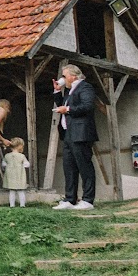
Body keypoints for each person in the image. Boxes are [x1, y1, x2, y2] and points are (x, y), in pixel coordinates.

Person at [53, 63, 99, 211]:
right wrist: (57, 91)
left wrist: (68, 109)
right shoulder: (69, 91)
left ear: (73, 76)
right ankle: (70, 198)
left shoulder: (85, 87)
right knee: (69, 166)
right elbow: (62, 104)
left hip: (81, 133)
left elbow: (87, 106)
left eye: (64, 76)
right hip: (68, 134)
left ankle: (88, 200)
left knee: (84, 166)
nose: (62, 79)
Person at [3, 138, 30, 207]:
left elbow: (3, 164)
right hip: (19, 175)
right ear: (20, 146)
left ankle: (12, 205)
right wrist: (22, 166)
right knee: (21, 191)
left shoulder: (7, 156)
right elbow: (27, 164)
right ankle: (22, 205)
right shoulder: (22, 156)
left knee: (12, 191)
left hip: (10, 176)